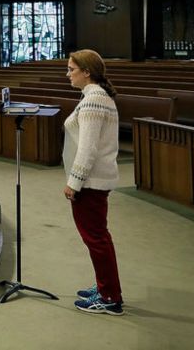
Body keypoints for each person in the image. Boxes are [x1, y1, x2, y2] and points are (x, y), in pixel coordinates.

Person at [63, 49, 124, 315]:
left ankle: (110, 297)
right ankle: (105, 287)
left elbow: (87, 149)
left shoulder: (93, 100)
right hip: (96, 180)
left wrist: (74, 183)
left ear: (86, 72)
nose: (68, 75)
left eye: (71, 69)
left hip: (90, 183)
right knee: (98, 237)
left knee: (96, 239)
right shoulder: (96, 96)